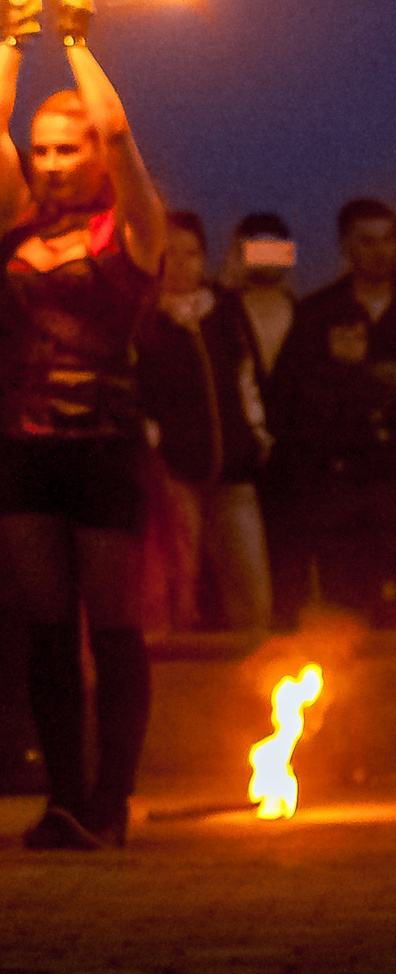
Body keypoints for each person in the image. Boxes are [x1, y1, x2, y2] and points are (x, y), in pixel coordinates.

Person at [0, 2, 169, 850]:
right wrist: (5, 45)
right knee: (45, 626)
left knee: (110, 625)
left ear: (95, 157)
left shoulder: (132, 230)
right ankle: (66, 799)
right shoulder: (18, 225)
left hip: (106, 449)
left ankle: (111, 800)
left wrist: (71, 41)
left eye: (69, 149)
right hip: (27, 451)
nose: (54, 163)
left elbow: (120, 129)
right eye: (42, 152)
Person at [267, 196, 396, 623]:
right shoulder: (319, 313)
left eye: (389, 239)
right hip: (342, 499)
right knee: (345, 617)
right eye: (368, 241)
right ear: (346, 247)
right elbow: (286, 398)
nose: (382, 251)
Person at [135, 211, 272, 633]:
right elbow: (134, 391)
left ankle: (254, 685)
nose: (180, 264)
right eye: (169, 254)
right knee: (176, 594)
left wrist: (257, 434)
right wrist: (155, 445)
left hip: (234, 474)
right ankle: (175, 688)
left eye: (191, 254)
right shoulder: (144, 320)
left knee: (252, 595)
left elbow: (246, 376)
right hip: (176, 479)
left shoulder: (225, 314)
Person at [225, 211, 296, 380]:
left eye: (276, 250)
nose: (269, 260)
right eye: (261, 250)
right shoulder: (222, 314)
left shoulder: (305, 315)